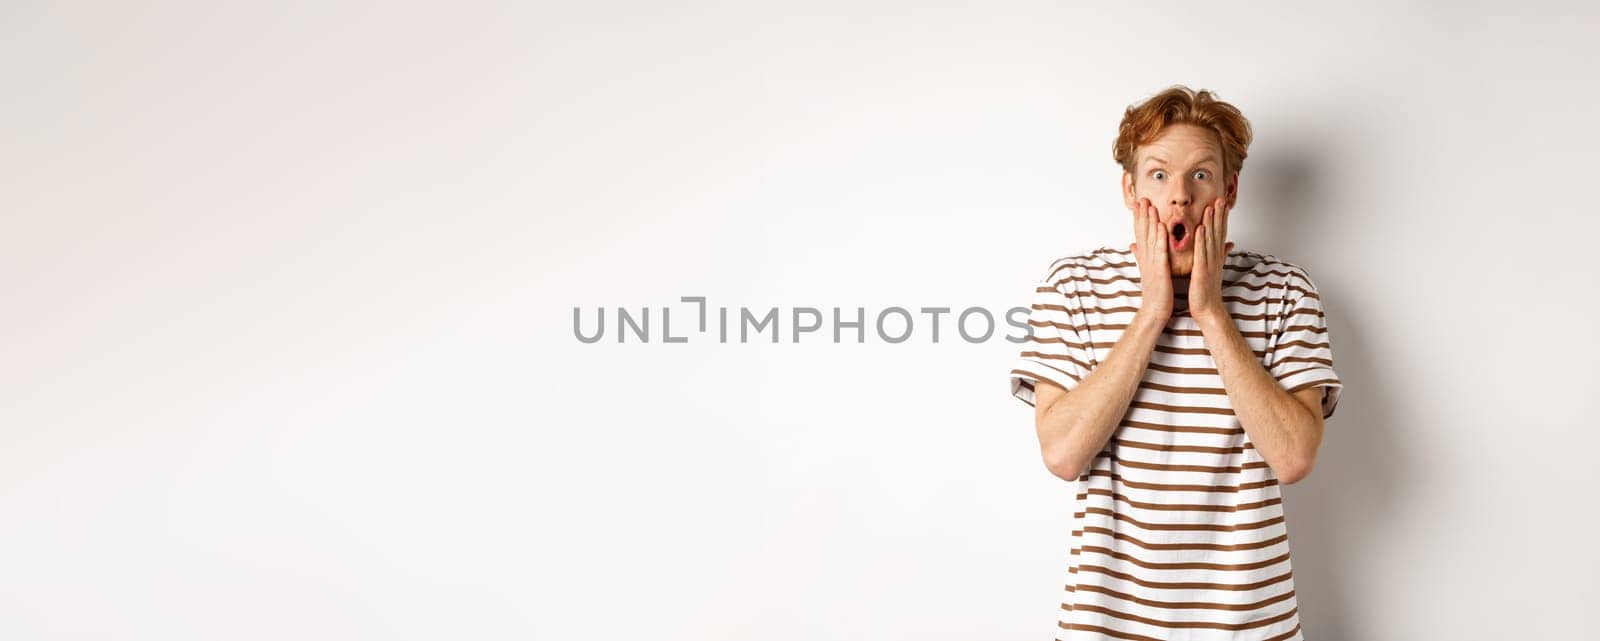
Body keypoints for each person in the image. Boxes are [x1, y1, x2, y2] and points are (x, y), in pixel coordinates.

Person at [1008, 85, 1344, 641]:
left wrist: (1210, 311)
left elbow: (1293, 457)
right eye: (1159, 175)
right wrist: (1152, 312)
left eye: (1200, 175)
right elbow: (1063, 454)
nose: (1179, 198)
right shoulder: (1073, 286)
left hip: (1250, 626)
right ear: (1130, 189)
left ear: (1229, 190)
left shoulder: (1286, 290)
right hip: (1107, 624)